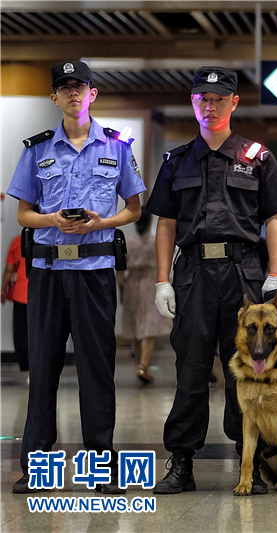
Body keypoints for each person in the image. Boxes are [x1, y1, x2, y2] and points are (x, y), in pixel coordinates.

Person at [145, 66, 277, 494]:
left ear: (233, 103)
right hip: (193, 274)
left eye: (217, 99)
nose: (208, 106)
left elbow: (273, 218)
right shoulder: (177, 160)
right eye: (201, 99)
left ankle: (247, 460)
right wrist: (162, 281)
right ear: (193, 102)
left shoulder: (257, 157)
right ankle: (182, 461)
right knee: (191, 368)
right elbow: (166, 224)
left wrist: (276, 272)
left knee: (247, 373)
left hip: (243, 275)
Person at [7, 60, 146, 494]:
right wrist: (50, 217)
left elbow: (134, 208)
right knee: (43, 368)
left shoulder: (119, 147)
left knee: (97, 370)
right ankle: (36, 467)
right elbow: (23, 213)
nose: (72, 93)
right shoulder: (37, 148)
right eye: (64, 87)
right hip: (47, 272)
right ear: (53, 97)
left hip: (94, 273)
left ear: (93, 93)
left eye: (80, 86)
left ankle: (102, 470)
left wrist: (98, 223)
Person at [117, 211, 172, 385]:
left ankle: (141, 364)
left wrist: (121, 289)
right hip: (150, 284)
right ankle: (144, 364)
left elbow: (120, 269)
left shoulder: (129, 242)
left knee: (136, 325)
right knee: (149, 326)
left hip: (132, 284)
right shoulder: (155, 242)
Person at [1, 234, 29, 377]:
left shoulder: (18, 241)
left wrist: (3, 289)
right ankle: (38, 370)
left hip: (22, 294)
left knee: (22, 334)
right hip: (43, 295)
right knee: (43, 334)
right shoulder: (49, 239)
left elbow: (9, 269)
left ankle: (28, 368)